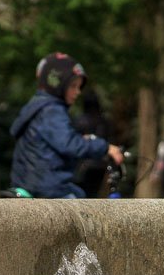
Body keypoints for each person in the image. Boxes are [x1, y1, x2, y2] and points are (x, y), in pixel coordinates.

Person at [9, 52, 123, 198]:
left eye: (80, 87)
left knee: (79, 194)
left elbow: (58, 140)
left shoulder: (40, 107)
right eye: (73, 86)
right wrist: (105, 147)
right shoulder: (51, 110)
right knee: (82, 211)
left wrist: (83, 140)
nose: (78, 92)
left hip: (32, 183)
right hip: (46, 187)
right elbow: (69, 144)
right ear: (57, 83)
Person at [72, 89, 112, 198]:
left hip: (83, 165)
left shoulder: (80, 120)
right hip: (101, 164)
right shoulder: (104, 121)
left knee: (81, 195)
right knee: (94, 195)